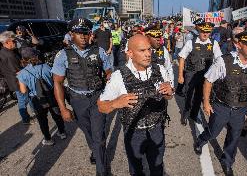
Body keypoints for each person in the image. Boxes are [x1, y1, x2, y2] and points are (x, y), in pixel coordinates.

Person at [97, 34, 174, 176]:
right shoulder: (118, 76)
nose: (148, 54)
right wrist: (115, 103)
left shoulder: (160, 70)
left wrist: (169, 92)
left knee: (157, 167)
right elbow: (101, 105)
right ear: (130, 53)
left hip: (156, 129)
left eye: (149, 50)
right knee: (136, 170)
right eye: (142, 51)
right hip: (133, 133)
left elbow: (168, 96)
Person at [194, 28, 247, 176]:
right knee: (213, 132)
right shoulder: (223, 61)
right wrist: (206, 103)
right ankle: (201, 140)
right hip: (222, 106)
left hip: (241, 109)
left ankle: (227, 161)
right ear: (239, 45)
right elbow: (208, 81)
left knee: (234, 137)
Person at [52, 18, 109, 175]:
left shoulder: (99, 52)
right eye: (78, 33)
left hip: (98, 97)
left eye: (85, 33)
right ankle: (95, 150)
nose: (83, 37)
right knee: (87, 130)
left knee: (98, 135)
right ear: (71, 34)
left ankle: (101, 171)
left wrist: (111, 88)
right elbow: (57, 82)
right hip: (77, 100)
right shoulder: (63, 55)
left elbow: (109, 73)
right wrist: (63, 108)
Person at [17, 47, 66, 145]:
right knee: (57, 114)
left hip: (36, 99)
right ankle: (62, 133)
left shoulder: (22, 73)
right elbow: (55, 81)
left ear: (23, 59)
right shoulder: (46, 66)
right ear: (36, 56)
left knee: (42, 119)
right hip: (51, 95)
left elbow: (23, 90)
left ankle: (48, 139)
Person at [178, 21, 222, 125]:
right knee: (189, 94)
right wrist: (180, 75)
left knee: (199, 95)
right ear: (199, 31)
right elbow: (182, 58)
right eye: (203, 31)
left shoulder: (213, 43)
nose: (205, 34)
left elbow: (219, 60)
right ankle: (185, 113)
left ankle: (194, 114)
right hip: (191, 73)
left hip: (205, 75)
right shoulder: (191, 42)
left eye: (207, 32)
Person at [0, 31, 32, 124]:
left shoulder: (3, 51)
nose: (15, 42)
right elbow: (17, 71)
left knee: (25, 98)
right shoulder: (9, 55)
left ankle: (30, 114)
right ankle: (26, 119)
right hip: (18, 81)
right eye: (13, 41)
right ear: (7, 42)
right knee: (23, 100)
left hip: (11, 80)